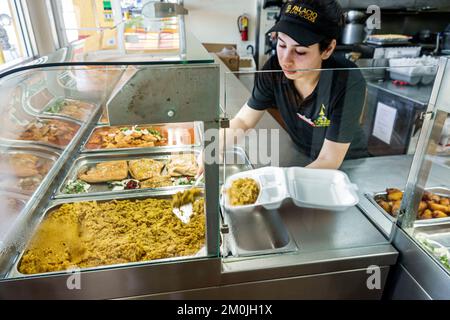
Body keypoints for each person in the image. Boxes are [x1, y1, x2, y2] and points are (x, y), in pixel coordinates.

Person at [218, 0, 368, 171]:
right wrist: (214, 148)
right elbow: (244, 120)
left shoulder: (347, 81)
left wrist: (283, 183)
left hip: (347, 164)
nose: (286, 60)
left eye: (300, 51)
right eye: (282, 44)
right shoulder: (274, 70)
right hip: (304, 155)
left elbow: (329, 159)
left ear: (327, 49)